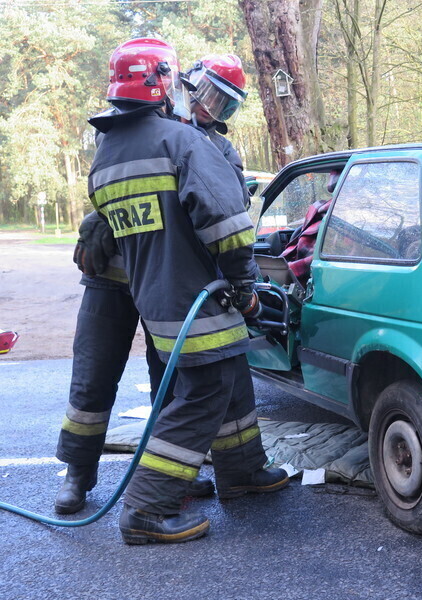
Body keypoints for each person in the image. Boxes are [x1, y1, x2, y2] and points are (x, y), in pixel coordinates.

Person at [86, 37, 287, 545]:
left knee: (229, 376)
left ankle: (241, 472)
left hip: (156, 301)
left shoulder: (109, 153)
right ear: (170, 83)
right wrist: (245, 290)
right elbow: (230, 229)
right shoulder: (181, 142)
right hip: (199, 296)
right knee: (204, 394)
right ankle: (147, 508)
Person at [53, 53, 253, 517]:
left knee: (172, 378)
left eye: (225, 105)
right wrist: (96, 219)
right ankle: (77, 474)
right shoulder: (132, 128)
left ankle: (171, 476)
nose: (212, 109)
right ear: (183, 85)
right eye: (209, 95)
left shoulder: (210, 145)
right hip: (111, 279)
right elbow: (112, 187)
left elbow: (229, 205)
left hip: (167, 279)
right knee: (93, 375)